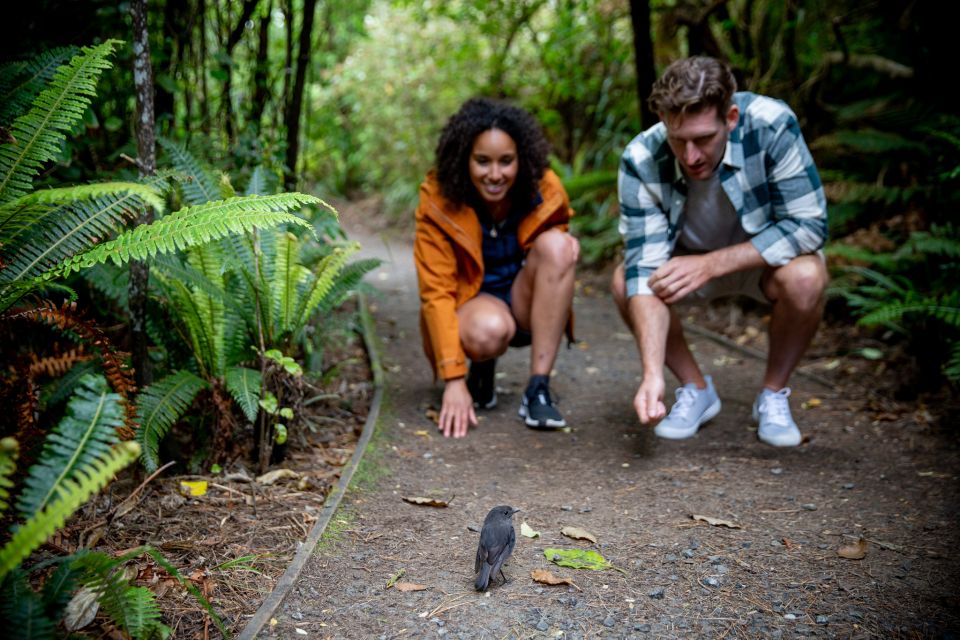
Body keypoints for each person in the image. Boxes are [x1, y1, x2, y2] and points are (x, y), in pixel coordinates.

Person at [611, 56, 828, 447]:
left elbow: (809, 226)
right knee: (622, 280)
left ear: (730, 117)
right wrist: (651, 373)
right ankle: (694, 389)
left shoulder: (772, 124)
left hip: (761, 263)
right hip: (684, 263)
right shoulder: (641, 157)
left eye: (703, 139)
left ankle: (773, 394)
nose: (691, 156)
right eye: (678, 140)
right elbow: (643, 268)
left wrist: (712, 264)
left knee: (807, 276)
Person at [414, 97, 578, 438]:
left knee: (561, 246)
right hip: (474, 306)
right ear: (464, 160)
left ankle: (538, 387)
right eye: (482, 161)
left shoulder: (544, 189)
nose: (495, 174)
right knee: (488, 330)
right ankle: (479, 370)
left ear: (521, 159)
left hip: (522, 299)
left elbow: (554, 266)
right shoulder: (438, 202)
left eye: (506, 161)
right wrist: (454, 379)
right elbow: (436, 293)